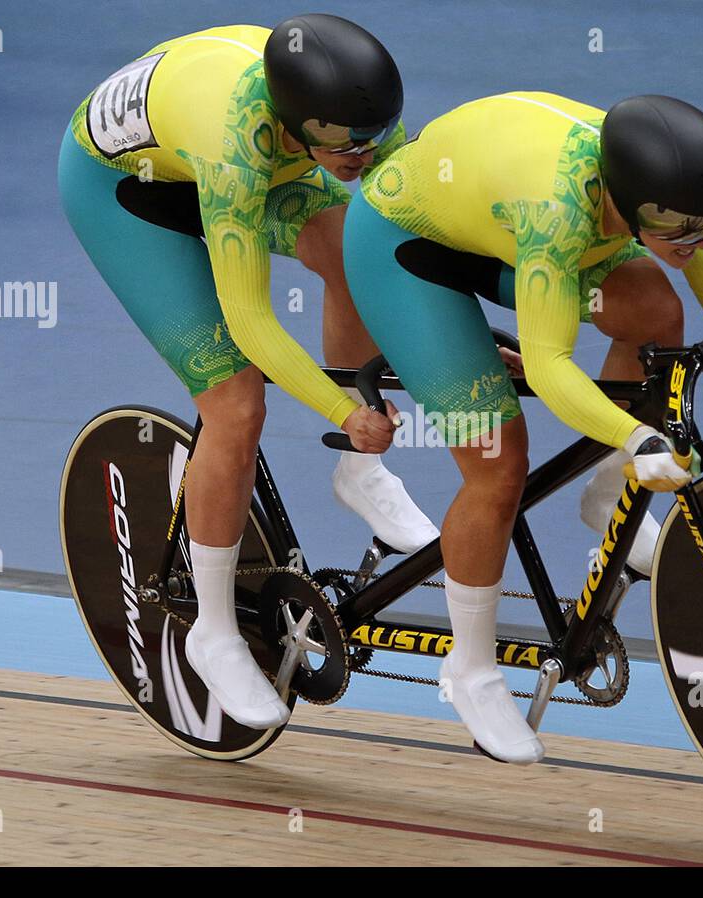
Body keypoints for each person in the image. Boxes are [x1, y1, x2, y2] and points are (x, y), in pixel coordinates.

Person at [343, 92, 703, 763]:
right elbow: (551, 366)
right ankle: (468, 670)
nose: (696, 245)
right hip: (403, 249)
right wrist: (640, 439)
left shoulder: (672, 195)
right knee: (498, 463)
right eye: (682, 234)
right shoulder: (559, 210)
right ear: (636, 202)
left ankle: (606, 492)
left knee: (654, 312)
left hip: (487, 235)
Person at [59, 16, 437, 730]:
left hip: (214, 155)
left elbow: (409, 235)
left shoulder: (352, 115)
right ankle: (211, 630)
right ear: (299, 126)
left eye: (374, 140)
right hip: (125, 194)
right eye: (347, 148)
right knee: (236, 404)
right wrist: (342, 409)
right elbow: (253, 325)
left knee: (354, 258)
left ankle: (360, 475)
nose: (364, 156)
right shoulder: (239, 147)